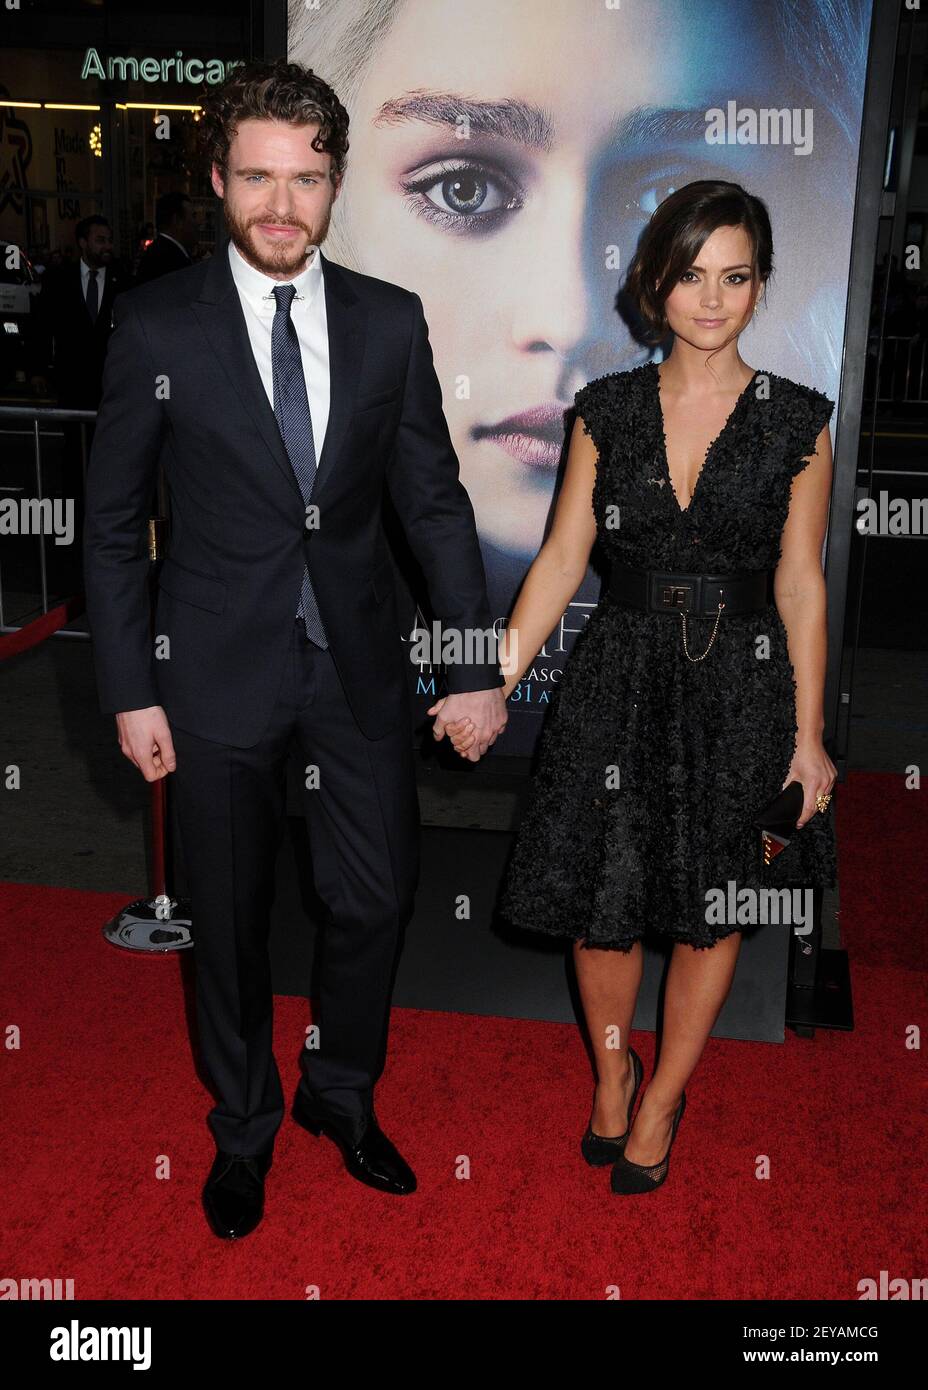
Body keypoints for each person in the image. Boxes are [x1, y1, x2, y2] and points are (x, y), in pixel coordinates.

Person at [83, 57, 507, 1240]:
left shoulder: (388, 320)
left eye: (305, 179)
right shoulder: (157, 322)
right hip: (211, 673)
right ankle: (243, 1127)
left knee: (375, 896)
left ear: (334, 185)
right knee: (223, 919)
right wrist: (128, 688)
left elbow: (434, 506)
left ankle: (341, 1092)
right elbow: (111, 523)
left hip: (356, 668)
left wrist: (472, 665)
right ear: (218, 180)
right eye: (258, 177)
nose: (282, 205)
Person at [459, 181, 838, 1194]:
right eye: (690, 276)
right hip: (618, 678)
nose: (711, 300)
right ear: (653, 282)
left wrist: (807, 736)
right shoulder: (607, 411)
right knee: (602, 901)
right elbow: (559, 560)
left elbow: (801, 583)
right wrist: (489, 683)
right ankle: (614, 1069)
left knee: (713, 903)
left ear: (761, 285)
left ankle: (665, 1096)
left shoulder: (797, 422)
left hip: (744, 689)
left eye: (735, 278)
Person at [134, 193, 198, 285]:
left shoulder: (158, 252)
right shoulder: (172, 261)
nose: (197, 223)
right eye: (193, 216)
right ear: (177, 221)